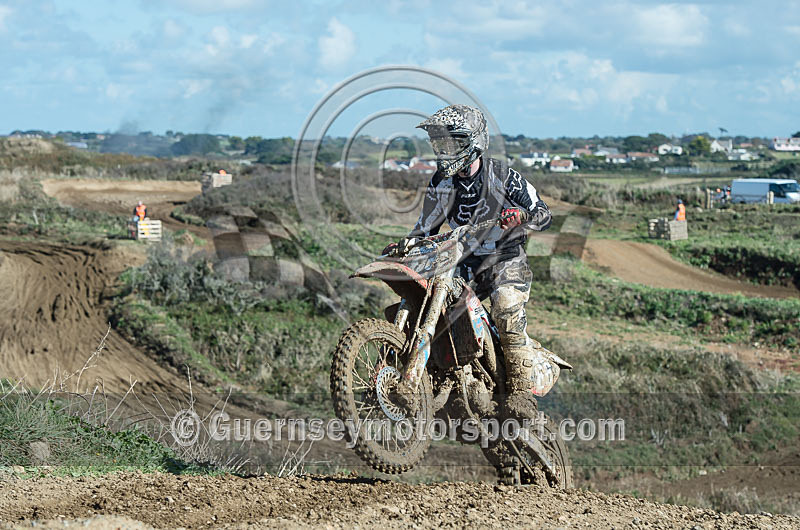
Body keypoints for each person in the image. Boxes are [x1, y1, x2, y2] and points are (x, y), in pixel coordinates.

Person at [386, 104, 569, 412]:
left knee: (506, 312)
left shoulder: (503, 176)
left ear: (474, 142)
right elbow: (426, 227)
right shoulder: (440, 183)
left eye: (452, 142)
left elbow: (543, 213)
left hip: (504, 260)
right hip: (463, 262)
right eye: (440, 143)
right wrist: (406, 244)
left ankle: (521, 396)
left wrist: (521, 215)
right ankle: (432, 378)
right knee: (428, 301)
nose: (445, 150)